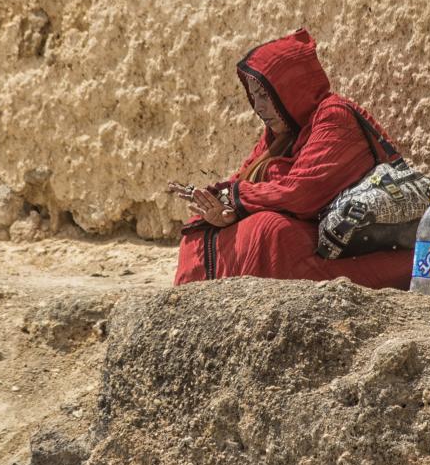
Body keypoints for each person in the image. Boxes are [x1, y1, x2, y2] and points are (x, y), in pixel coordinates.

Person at [169, 28, 413, 289]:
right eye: (254, 96)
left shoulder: (333, 115)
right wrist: (219, 210)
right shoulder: (280, 134)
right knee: (197, 233)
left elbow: (302, 194)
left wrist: (235, 198)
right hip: (313, 232)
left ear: (289, 89)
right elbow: (245, 181)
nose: (259, 107)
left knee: (270, 231)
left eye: (265, 95)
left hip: (355, 242)